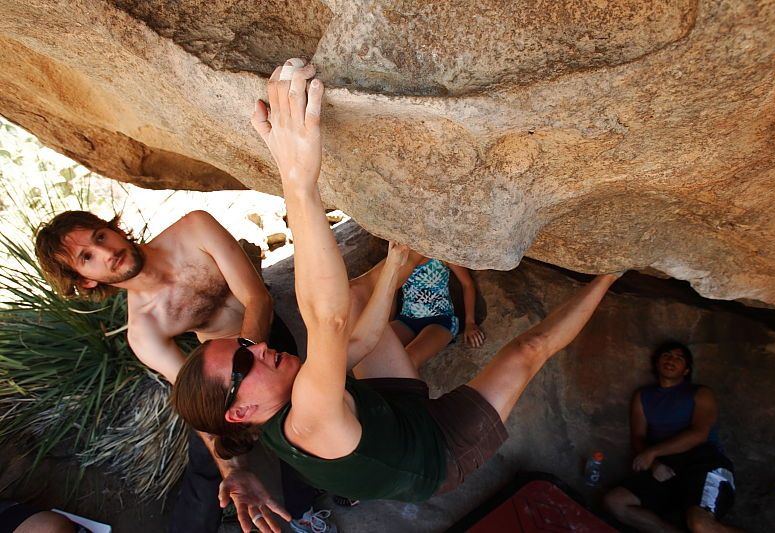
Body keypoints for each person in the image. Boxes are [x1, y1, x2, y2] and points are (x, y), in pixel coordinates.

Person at [170, 58, 620, 528]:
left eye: (244, 344)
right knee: (528, 350)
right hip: (437, 454)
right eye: (244, 363)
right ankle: (613, 272)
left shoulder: (291, 395)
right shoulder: (307, 420)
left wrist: (395, 268)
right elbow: (328, 321)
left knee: (359, 301)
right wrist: (296, 175)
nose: (259, 345)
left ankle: (416, 249)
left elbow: (358, 343)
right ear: (241, 412)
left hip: (389, 413)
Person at [33, 208, 324, 532]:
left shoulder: (194, 229)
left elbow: (258, 298)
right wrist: (233, 469)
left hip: (264, 339)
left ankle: (306, 506)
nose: (106, 251)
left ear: (113, 229)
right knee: (208, 450)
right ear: (86, 280)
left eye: (100, 236)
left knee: (290, 426)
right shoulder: (144, 330)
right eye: (87, 257)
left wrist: (247, 368)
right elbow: (194, 399)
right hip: (222, 374)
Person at [604, 342, 741, 532]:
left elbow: (699, 435)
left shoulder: (700, 393)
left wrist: (652, 452)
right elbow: (638, 436)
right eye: (666, 355)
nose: (671, 360)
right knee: (615, 502)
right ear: (657, 362)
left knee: (700, 525)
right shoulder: (643, 396)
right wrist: (654, 464)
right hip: (667, 467)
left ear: (686, 370)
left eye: (679, 358)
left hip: (704, 463)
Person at [391, 255, 485, 369]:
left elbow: (467, 284)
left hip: (441, 321)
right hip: (406, 320)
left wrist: (470, 322)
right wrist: (388, 323)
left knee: (408, 359)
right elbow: (392, 290)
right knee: (375, 350)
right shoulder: (401, 256)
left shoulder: (442, 254)